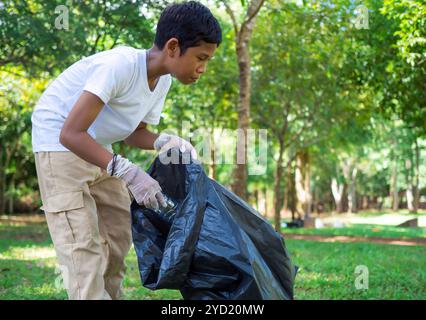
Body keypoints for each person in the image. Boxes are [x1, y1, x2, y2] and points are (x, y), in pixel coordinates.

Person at [31, 1, 222, 300]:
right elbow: (70, 133)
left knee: (118, 236)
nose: (203, 68)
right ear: (173, 47)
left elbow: (135, 133)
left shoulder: (162, 82)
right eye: (201, 57)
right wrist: (128, 171)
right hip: (58, 143)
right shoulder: (119, 66)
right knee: (82, 246)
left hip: (96, 147)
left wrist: (163, 141)